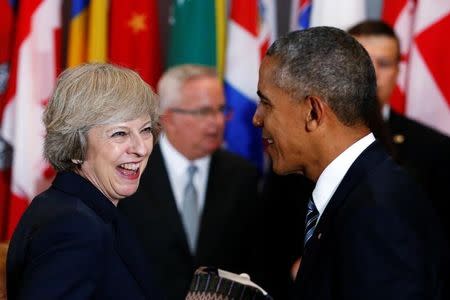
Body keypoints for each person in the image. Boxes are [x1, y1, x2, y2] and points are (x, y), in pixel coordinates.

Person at [253, 26, 449, 299]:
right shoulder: (359, 192)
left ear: (312, 112)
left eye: (266, 103)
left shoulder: (381, 213)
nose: (257, 118)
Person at [6, 63, 162, 299]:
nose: (141, 148)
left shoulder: (87, 210)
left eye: (146, 130)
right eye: (119, 133)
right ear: (76, 147)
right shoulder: (73, 226)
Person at [118, 64, 262, 300]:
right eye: (204, 112)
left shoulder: (241, 175)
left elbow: (253, 260)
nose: (216, 122)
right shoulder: (132, 171)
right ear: (168, 118)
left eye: (221, 110)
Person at [348, 19, 450, 241]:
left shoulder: (433, 149)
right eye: (361, 61)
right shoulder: (303, 136)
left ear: (397, 72)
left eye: (383, 63)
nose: (372, 75)